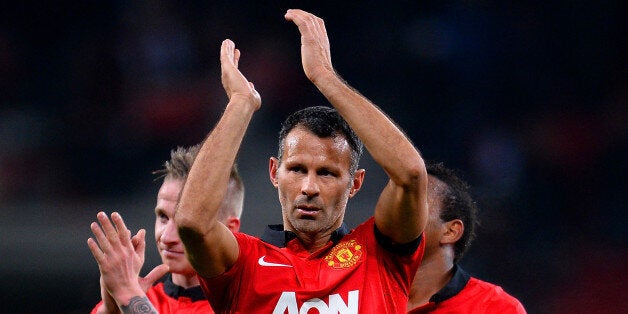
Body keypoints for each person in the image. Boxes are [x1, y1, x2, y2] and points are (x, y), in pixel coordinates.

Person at [175, 9, 428, 313]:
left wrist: (325, 77)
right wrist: (240, 104)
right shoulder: (243, 263)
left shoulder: (381, 254)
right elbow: (191, 223)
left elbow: (411, 175)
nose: (309, 187)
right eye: (296, 169)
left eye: (327, 173)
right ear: (274, 172)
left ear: (355, 183)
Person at [87, 144, 244, 313]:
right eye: (163, 217)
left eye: (185, 223)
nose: (166, 238)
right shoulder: (140, 299)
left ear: (229, 230)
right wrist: (113, 307)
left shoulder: (252, 304)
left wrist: (127, 296)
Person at [407, 162, 526, 313]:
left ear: (451, 232)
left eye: (415, 200)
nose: (398, 208)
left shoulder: (496, 308)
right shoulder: (369, 285)